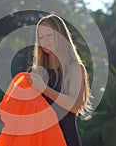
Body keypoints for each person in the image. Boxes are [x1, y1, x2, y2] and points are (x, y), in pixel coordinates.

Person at [26, 14, 91, 146]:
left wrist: (43, 88)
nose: (45, 40)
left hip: (67, 140)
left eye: (49, 35)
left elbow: (74, 106)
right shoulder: (35, 73)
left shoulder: (75, 69)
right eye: (41, 37)